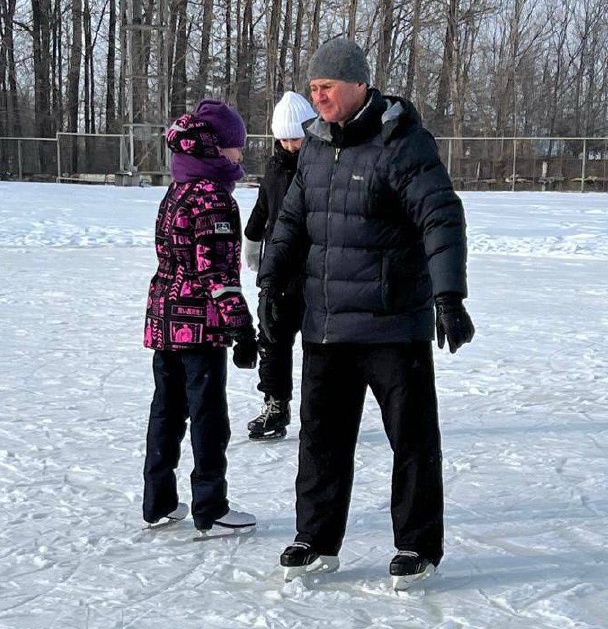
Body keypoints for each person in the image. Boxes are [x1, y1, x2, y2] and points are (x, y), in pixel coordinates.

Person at [257, 39, 475, 588]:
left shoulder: (400, 141)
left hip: (391, 322)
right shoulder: (313, 146)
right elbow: (291, 219)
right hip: (326, 323)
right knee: (321, 439)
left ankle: (417, 546)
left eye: (327, 87)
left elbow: (441, 218)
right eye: (313, 89)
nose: (319, 97)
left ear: (359, 85)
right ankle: (316, 539)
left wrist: (449, 297)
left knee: (412, 439)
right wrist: (270, 284)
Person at [142, 99, 258, 533]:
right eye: (234, 147)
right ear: (215, 148)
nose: (239, 155)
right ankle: (211, 506)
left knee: (166, 413)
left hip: (164, 318)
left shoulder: (177, 189)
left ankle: (159, 502)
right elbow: (218, 272)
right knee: (208, 417)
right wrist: (241, 327)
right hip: (199, 328)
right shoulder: (212, 198)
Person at [243, 91, 315, 440]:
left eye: (296, 137)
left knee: (321, 346)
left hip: (314, 268)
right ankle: (275, 404)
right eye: (284, 138)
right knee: (272, 337)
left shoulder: (320, 165)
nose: (290, 144)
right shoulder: (274, 167)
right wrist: (252, 238)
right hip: (278, 270)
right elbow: (262, 206)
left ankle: (321, 410)